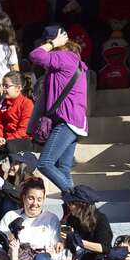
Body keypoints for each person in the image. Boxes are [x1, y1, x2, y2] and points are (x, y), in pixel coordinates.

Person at [31, 25, 88, 193]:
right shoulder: (71, 59)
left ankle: (78, 199)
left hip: (66, 120)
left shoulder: (63, 57)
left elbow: (36, 55)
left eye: (46, 43)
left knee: (45, 163)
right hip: (72, 121)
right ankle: (73, 210)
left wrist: (53, 44)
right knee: (63, 169)